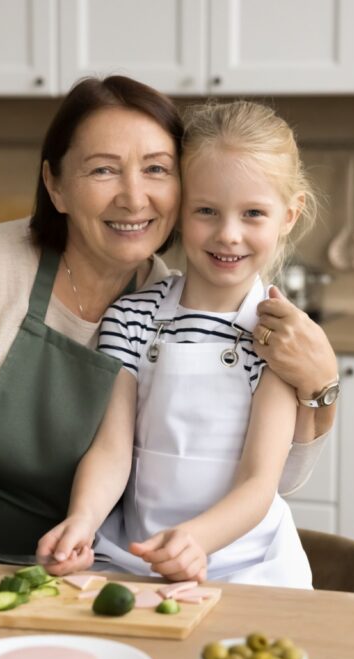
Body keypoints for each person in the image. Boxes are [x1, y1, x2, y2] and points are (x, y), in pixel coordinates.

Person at [0, 76, 339, 568]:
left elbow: (269, 479)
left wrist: (320, 386)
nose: (133, 197)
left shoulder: (159, 297)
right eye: (103, 169)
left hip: (42, 567)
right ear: (56, 185)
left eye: (156, 168)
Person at [37, 101, 321, 588]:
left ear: (288, 216)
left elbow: (259, 484)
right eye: (206, 211)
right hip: (139, 558)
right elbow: (112, 451)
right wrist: (82, 520)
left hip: (249, 567)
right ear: (179, 208)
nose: (228, 235)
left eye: (253, 213)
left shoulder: (277, 337)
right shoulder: (130, 318)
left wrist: (196, 539)